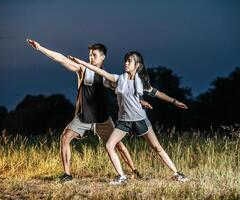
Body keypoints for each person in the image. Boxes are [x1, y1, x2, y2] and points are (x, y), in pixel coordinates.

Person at [26, 39, 141, 182]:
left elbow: (125, 90)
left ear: (103, 57)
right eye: (90, 55)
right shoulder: (82, 69)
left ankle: (135, 171)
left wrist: (139, 100)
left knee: (118, 145)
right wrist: (40, 48)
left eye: (94, 55)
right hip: (83, 117)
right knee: (65, 137)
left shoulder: (106, 76)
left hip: (102, 119)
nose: (91, 57)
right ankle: (67, 175)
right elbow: (61, 58)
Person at [68, 51, 189, 185]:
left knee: (157, 148)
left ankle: (177, 173)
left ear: (137, 65)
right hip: (124, 121)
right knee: (109, 145)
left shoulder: (142, 82)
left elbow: (157, 93)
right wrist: (83, 63)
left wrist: (174, 101)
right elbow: (100, 72)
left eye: (129, 61)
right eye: (125, 60)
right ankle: (122, 177)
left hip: (140, 120)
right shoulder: (119, 79)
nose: (126, 63)